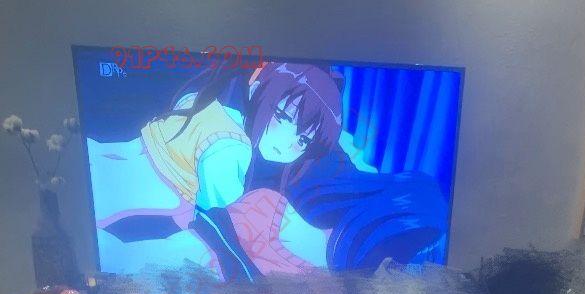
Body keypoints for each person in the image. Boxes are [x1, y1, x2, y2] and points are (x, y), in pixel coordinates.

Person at [88, 62, 447, 279]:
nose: (287, 144)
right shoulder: (230, 151)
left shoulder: (237, 132)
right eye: (282, 117)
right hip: (115, 190)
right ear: (259, 89)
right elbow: (207, 230)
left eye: (302, 140)